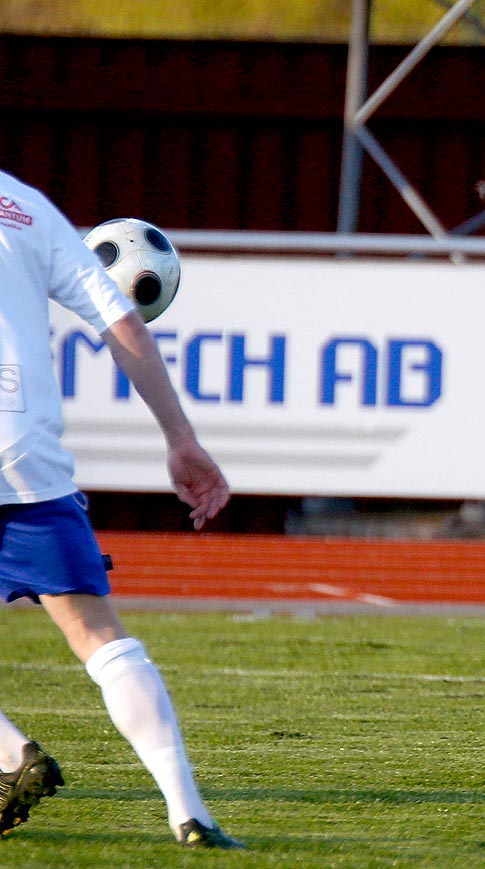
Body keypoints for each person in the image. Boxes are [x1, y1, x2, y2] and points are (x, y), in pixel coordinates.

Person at [0, 169, 245, 848]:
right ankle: (189, 811)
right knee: (98, 634)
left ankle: (11, 757)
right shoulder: (24, 205)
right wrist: (181, 439)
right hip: (23, 444)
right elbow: (121, 323)